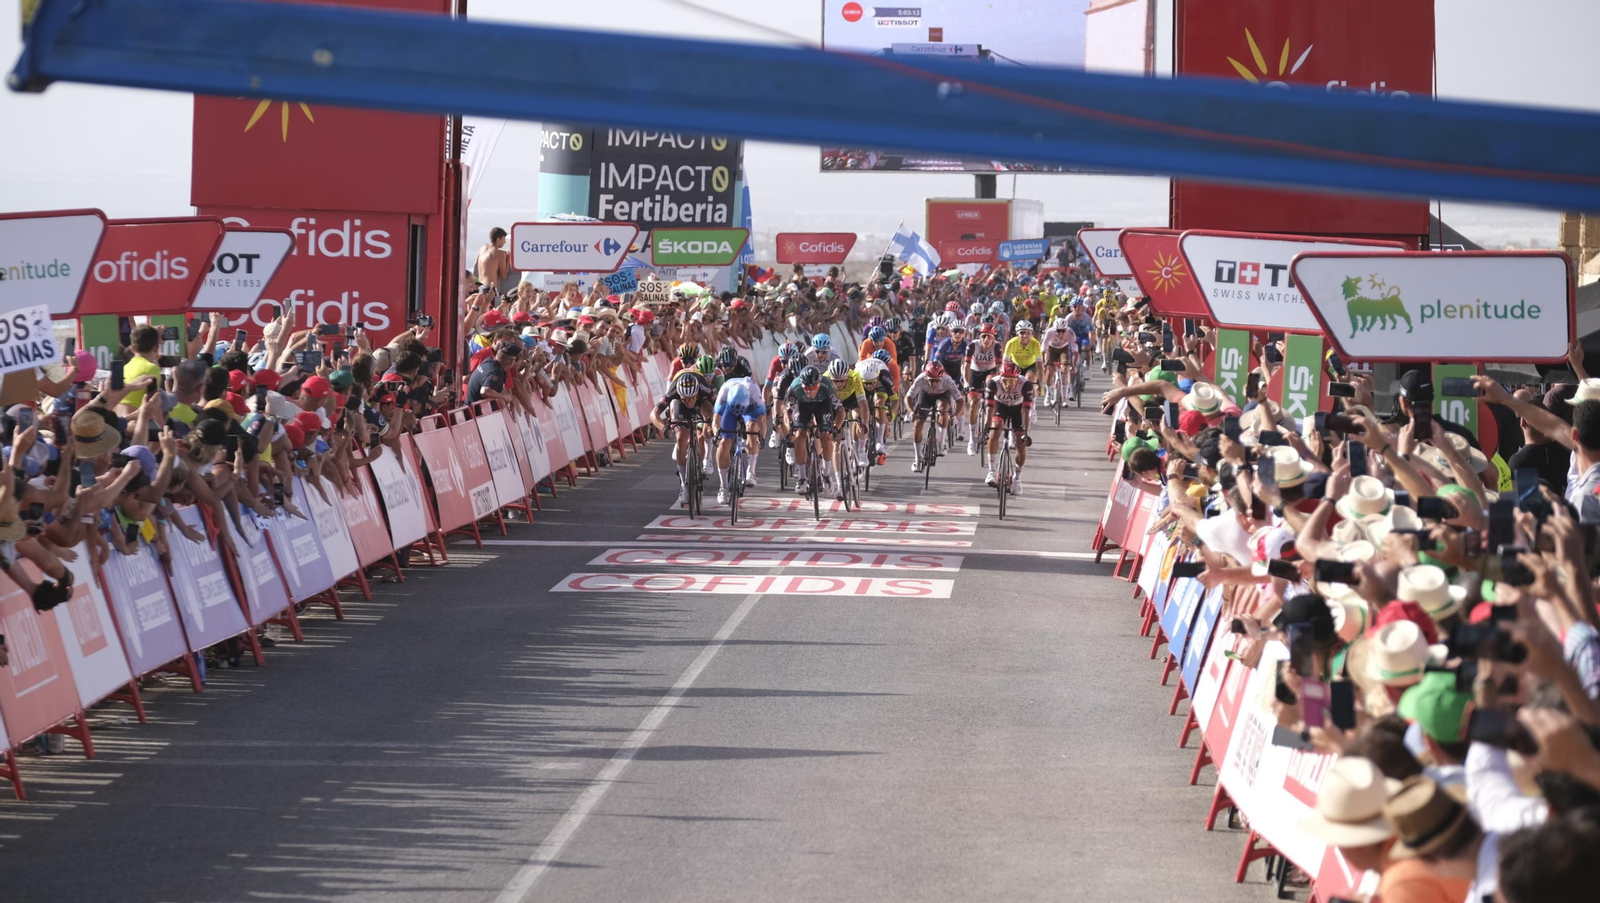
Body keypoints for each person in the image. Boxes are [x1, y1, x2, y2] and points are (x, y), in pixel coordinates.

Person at [780, 365, 844, 497]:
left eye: (813, 388)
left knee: (826, 435)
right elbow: (786, 412)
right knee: (800, 435)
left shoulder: (826, 386)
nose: (810, 392)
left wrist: (836, 428)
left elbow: (840, 411)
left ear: (819, 384)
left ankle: (826, 475)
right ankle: (802, 478)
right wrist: (789, 428)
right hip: (802, 405)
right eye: (807, 388)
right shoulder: (795, 387)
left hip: (822, 405)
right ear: (802, 384)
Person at [711, 357, 766, 502]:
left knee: (752, 428)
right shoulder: (724, 391)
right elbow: (716, 418)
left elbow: (762, 419)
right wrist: (717, 433)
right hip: (729, 409)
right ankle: (723, 487)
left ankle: (751, 471)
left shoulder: (753, 391)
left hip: (748, 409)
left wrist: (761, 437)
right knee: (724, 443)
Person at [984, 361, 1033, 495]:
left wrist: (1025, 433)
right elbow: (989, 410)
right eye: (1005, 381)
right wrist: (986, 430)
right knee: (995, 429)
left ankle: (1017, 479)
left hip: (1019, 409)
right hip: (1001, 407)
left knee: (1021, 443)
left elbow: (1025, 412)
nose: (1008, 385)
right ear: (1000, 378)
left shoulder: (1026, 384)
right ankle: (992, 471)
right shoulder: (993, 383)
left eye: (1012, 381)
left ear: (1018, 379)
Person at [903, 360, 962, 474]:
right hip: (925, 395)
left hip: (943, 395)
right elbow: (908, 398)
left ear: (941, 377)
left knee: (943, 409)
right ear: (927, 377)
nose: (934, 384)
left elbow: (960, 401)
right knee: (918, 424)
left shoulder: (947, 380)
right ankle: (918, 458)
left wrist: (955, 416)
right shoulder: (921, 378)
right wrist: (911, 412)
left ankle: (941, 443)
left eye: (937, 381)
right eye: (932, 381)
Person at [962, 323, 1002, 455]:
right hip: (975, 373)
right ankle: (972, 439)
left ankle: (985, 429)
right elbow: (966, 366)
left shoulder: (997, 347)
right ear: (979, 337)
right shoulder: (972, 346)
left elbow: (1000, 368)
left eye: (989, 337)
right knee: (973, 403)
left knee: (990, 388)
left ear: (993, 338)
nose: (986, 339)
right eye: (983, 336)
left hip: (990, 372)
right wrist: (967, 383)